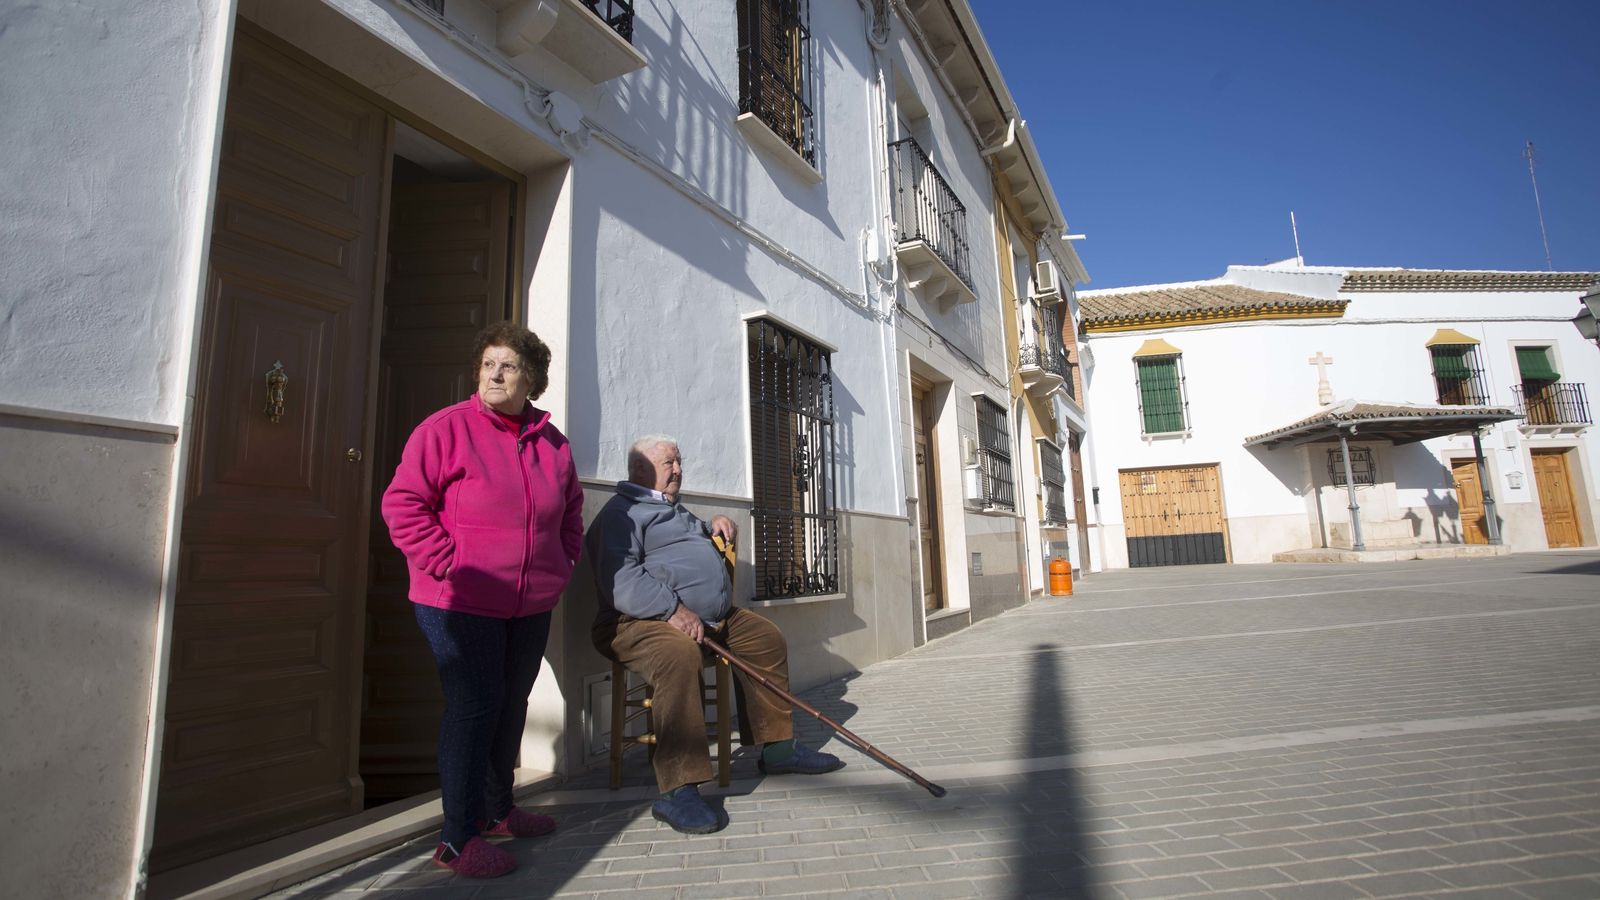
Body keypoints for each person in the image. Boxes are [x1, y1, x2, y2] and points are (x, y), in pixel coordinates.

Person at [382, 322, 582, 878]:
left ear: (532, 379)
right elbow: (402, 504)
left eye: (509, 365)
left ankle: (498, 811)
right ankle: (456, 837)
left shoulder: (553, 444)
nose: (495, 374)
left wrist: (559, 568)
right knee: (473, 709)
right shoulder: (445, 429)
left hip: (529, 601)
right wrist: (450, 564)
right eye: (488, 364)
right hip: (457, 600)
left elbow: (570, 515)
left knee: (510, 703)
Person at [587, 435, 843, 835]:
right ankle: (677, 790)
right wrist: (673, 609)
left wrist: (713, 525)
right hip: (635, 624)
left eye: (679, 460)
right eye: (669, 462)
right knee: (679, 656)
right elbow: (622, 583)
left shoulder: (670, 507)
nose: (678, 469)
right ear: (640, 469)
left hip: (708, 619)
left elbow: (687, 537)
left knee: (765, 636)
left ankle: (776, 750)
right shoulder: (621, 515)